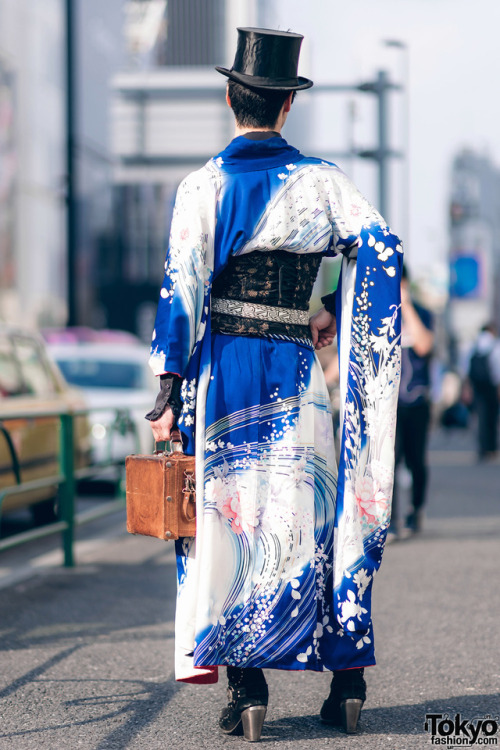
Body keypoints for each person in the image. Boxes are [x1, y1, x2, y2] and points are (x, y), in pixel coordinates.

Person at [146, 27, 402, 740]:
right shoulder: (323, 183)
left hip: (225, 374)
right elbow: (379, 244)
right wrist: (332, 310)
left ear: (232, 96)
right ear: (288, 105)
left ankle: (248, 693)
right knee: (310, 518)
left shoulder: (204, 186)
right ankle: (346, 683)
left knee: (232, 525)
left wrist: (167, 392)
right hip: (296, 374)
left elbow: (183, 293)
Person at [390, 265, 434, 538]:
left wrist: (406, 306)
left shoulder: (423, 312)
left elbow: (424, 345)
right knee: (389, 462)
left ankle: (416, 509)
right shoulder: (381, 314)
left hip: (417, 400)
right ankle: (390, 520)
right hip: (389, 402)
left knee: (416, 460)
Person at [468, 323, 500, 460]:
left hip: (477, 386)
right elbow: (497, 367)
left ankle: (482, 448)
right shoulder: (494, 345)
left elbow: (466, 367)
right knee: (492, 417)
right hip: (491, 386)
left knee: (481, 417)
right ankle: (491, 447)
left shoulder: (474, 345)